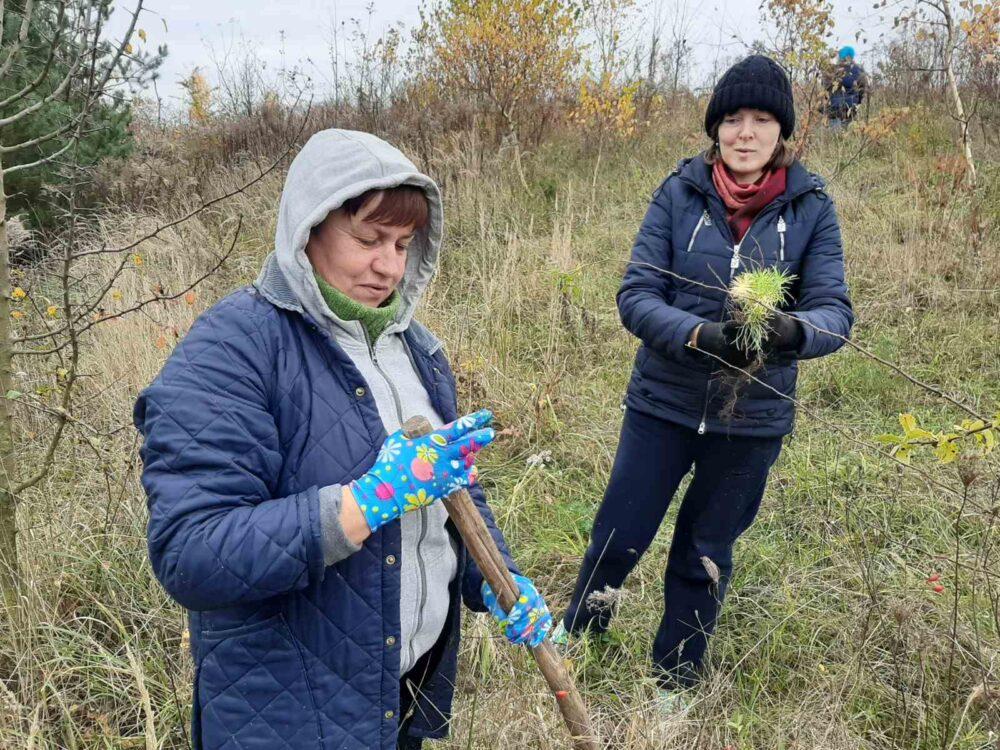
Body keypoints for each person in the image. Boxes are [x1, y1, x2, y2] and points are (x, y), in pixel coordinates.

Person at [133, 129, 553, 750]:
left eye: (403, 244)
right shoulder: (232, 351)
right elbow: (192, 554)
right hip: (288, 719)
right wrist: (368, 501)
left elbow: (448, 486)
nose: (390, 266)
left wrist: (496, 579)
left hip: (400, 697)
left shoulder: (414, 349)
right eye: (368, 239)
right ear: (309, 228)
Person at [551, 55, 853, 711]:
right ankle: (577, 642)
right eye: (733, 118)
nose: (746, 132)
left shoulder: (811, 208)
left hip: (752, 418)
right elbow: (637, 295)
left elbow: (835, 312)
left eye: (762, 119)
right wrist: (698, 336)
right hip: (662, 402)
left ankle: (675, 682)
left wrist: (791, 332)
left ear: (782, 130)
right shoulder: (678, 193)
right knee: (619, 534)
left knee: (704, 552)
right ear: (715, 127)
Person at [826, 45, 868, 128]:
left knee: (835, 134)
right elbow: (862, 90)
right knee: (849, 133)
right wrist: (858, 102)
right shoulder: (859, 70)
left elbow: (825, 88)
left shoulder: (833, 70)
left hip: (835, 109)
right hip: (851, 108)